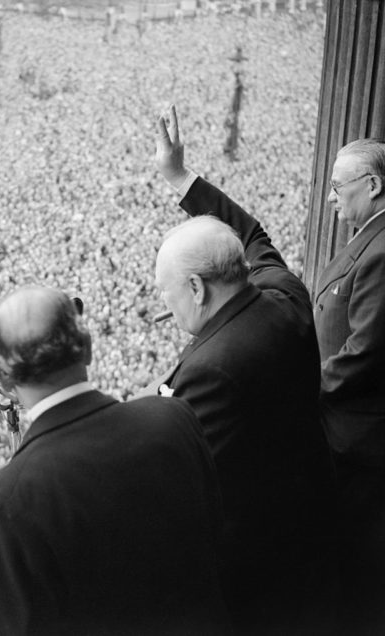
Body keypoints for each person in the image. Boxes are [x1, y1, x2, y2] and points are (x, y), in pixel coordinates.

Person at [143, 106, 337, 635]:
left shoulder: (209, 368)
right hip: (316, 501)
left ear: (198, 288)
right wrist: (181, 179)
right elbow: (251, 233)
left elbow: (180, 470)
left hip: (257, 555)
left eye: (168, 293)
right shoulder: (285, 291)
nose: (167, 306)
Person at [0, 286, 230, 636]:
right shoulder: (173, 417)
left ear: (3, 381)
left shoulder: (7, 499)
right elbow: (218, 540)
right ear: (89, 348)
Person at [315, 138, 385, 634]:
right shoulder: (369, 235)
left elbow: (364, 354)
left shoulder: (381, 251)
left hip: (357, 442)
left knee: (354, 563)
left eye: (339, 187)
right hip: (346, 435)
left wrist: (298, 385)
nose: (332, 197)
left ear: (375, 185)